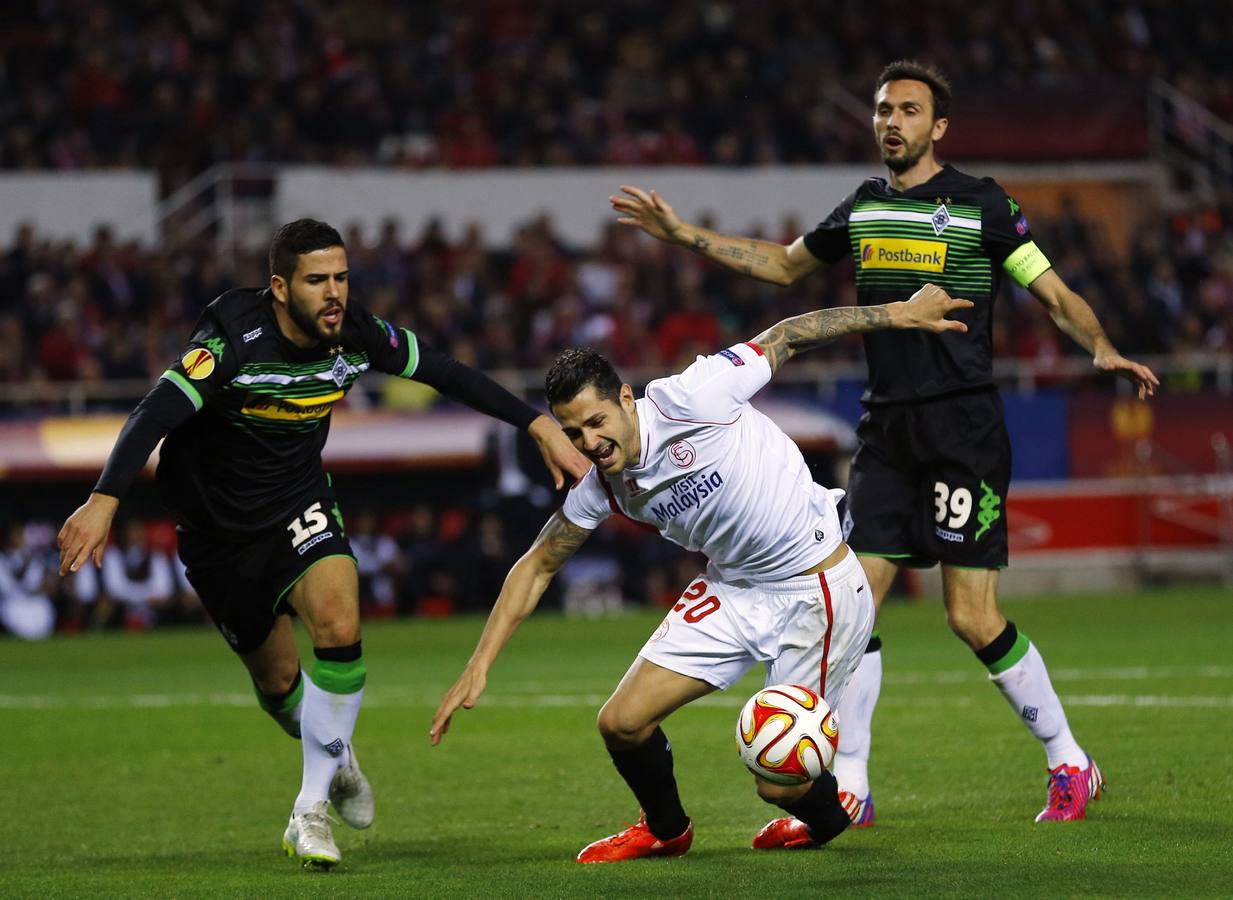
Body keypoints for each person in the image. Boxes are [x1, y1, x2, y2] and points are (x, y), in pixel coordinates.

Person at [608, 59, 1159, 825]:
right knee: (847, 603)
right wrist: (680, 234)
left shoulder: (981, 204)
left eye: (907, 109)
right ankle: (854, 783)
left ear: (937, 126)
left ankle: (1070, 761)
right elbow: (780, 266)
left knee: (970, 618)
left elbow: (1053, 292)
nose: (890, 121)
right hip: (887, 430)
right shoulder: (862, 209)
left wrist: (1098, 346)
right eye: (881, 110)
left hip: (962, 429)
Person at [56, 219, 588, 870]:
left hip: (298, 503)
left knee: (340, 618)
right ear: (279, 287)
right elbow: (156, 410)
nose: (333, 293)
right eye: (316, 281)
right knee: (280, 682)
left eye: (340, 277)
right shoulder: (234, 338)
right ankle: (335, 756)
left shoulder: (357, 334)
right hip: (216, 534)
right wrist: (104, 498)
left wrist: (534, 421)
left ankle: (308, 810)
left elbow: (445, 372)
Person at [431, 284, 973, 860]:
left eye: (596, 421)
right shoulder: (606, 484)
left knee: (776, 781)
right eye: (573, 434)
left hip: (816, 587)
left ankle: (833, 815)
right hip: (733, 590)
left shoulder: (694, 396)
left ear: (625, 397)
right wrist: (479, 661)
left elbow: (787, 334)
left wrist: (899, 314)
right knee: (621, 723)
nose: (590, 442)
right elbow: (538, 564)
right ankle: (666, 829)